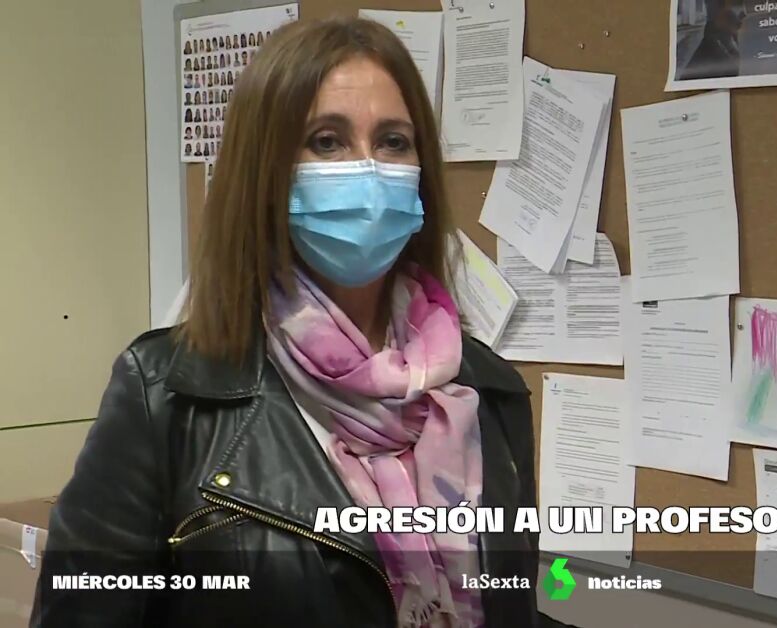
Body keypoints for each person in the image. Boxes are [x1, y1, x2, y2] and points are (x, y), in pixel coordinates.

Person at [32, 16, 567, 628]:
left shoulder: (488, 391)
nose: (369, 171)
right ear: (266, 172)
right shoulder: (166, 399)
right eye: (327, 141)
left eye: (393, 141)